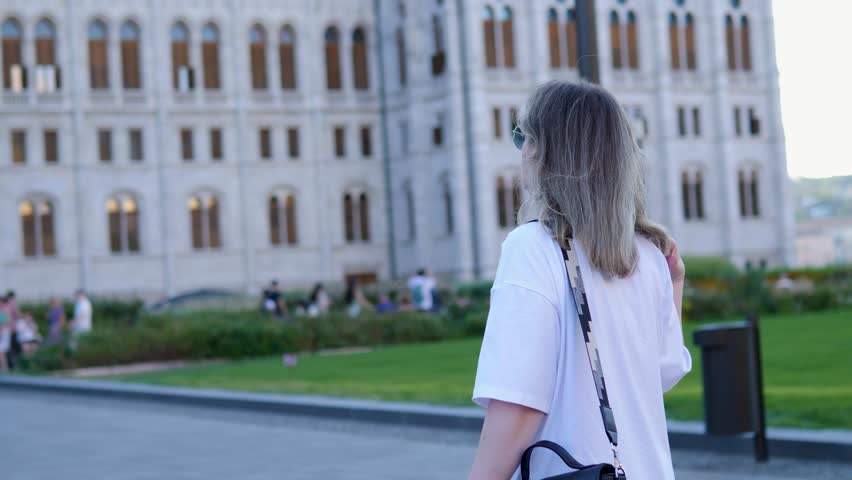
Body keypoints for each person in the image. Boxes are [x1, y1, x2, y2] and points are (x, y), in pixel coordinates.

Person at [469, 81, 692, 480]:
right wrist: (674, 283)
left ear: (545, 152)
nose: (521, 151)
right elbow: (658, 372)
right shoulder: (646, 254)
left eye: (524, 136)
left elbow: (519, 404)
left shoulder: (534, 249)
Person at [0, 297, 10, 372]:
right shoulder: (4, 310)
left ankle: (5, 368)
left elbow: (3, 324)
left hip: (3, 332)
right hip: (4, 332)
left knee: (1, 351)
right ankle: (4, 367)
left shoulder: (3, 311)